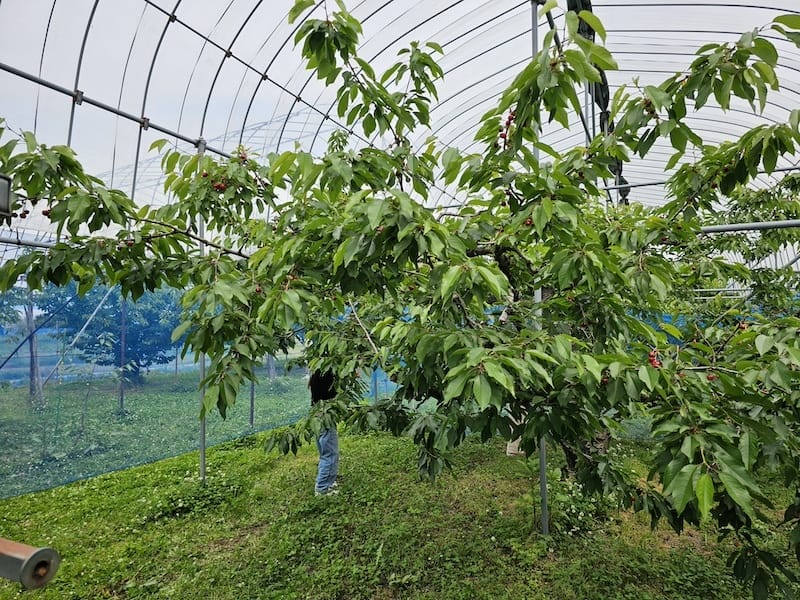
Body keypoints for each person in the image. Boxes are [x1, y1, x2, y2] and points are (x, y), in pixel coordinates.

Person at [309, 369, 339, 496]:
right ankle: (322, 489)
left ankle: (329, 481)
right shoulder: (326, 375)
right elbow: (331, 392)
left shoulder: (316, 373)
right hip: (325, 416)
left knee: (325, 452)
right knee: (330, 454)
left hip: (317, 414)